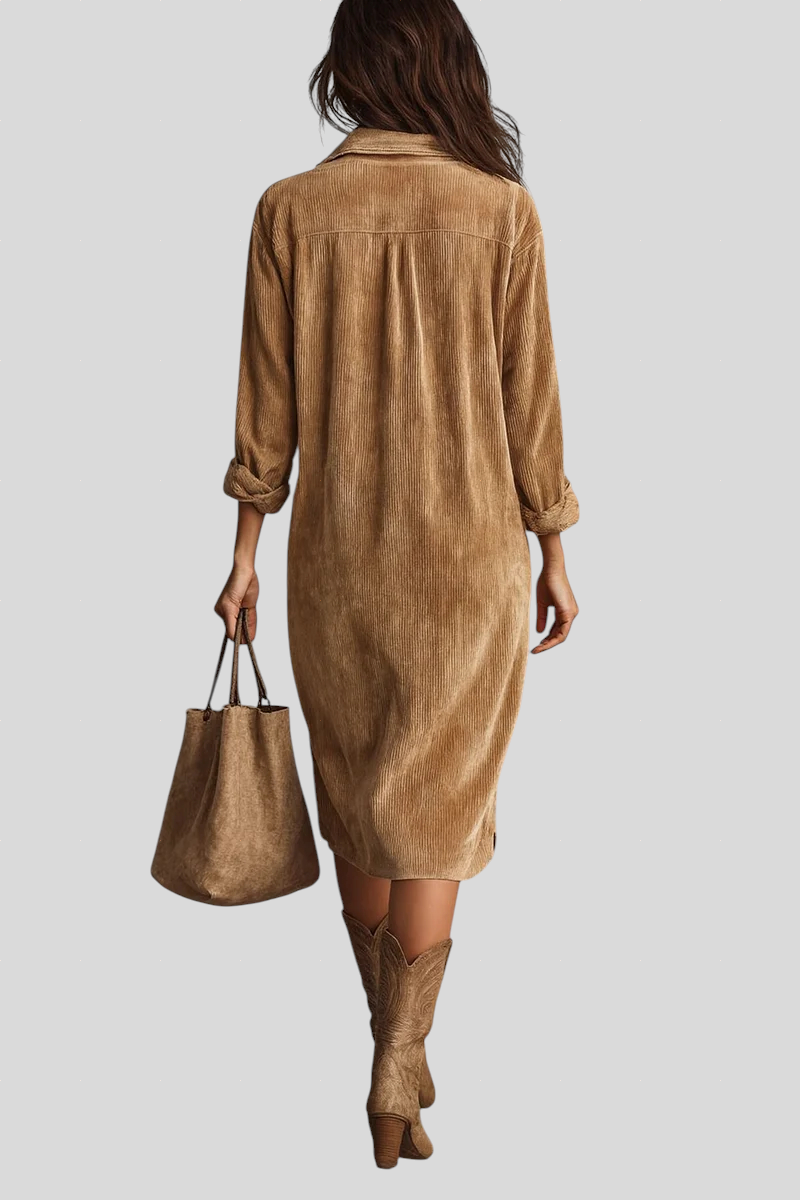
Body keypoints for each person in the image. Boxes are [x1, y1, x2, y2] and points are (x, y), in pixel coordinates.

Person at [214, 0, 579, 1169]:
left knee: (362, 805)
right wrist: (553, 544)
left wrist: (243, 556)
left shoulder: (289, 210)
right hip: (468, 565)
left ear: (350, 69)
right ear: (444, 65)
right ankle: (396, 1062)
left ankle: (389, 1055)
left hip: (336, 566)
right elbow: (530, 402)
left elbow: (264, 410)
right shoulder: (500, 211)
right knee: (435, 813)